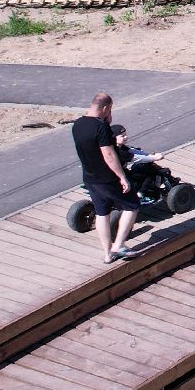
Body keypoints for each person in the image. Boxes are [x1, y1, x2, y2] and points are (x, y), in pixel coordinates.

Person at [73, 92, 139, 264]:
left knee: (102, 213)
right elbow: (109, 155)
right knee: (132, 205)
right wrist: (122, 177)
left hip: (89, 177)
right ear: (105, 108)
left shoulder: (77, 124)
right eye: (109, 110)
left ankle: (107, 253)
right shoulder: (100, 128)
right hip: (106, 178)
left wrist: (106, 121)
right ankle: (119, 245)